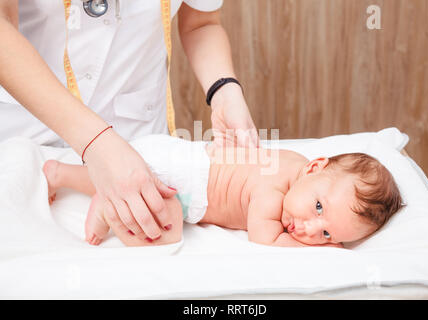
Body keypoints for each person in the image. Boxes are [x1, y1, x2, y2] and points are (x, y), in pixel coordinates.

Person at [0, 1, 258, 242]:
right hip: (25, 136)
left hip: (136, 144)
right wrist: (97, 142)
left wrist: (224, 90)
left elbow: (201, 23)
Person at [42, 134, 405, 247]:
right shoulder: (273, 190)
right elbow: (266, 241)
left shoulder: (296, 164)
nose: (309, 228)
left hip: (171, 156)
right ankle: (108, 206)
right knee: (163, 234)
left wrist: (331, 233)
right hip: (177, 177)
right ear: (314, 167)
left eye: (326, 234)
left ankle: (60, 172)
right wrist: (334, 250)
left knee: (123, 183)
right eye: (319, 209)